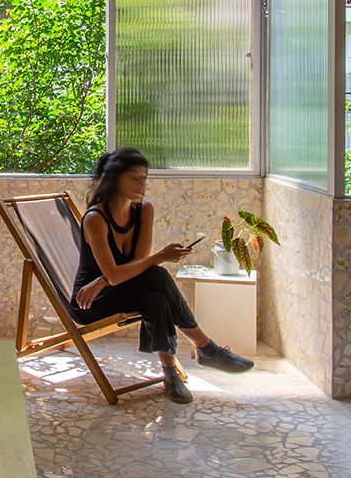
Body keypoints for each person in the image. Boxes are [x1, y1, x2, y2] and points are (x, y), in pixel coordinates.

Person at [70, 147, 255, 403]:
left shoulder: (144, 210)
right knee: (156, 276)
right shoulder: (95, 219)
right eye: (134, 177)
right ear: (114, 178)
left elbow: (138, 264)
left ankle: (171, 375)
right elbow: (116, 274)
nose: (141, 184)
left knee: (156, 295)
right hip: (90, 302)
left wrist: (105, 279)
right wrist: (157, 258)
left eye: (144, 177)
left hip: (118, 288)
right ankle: (205, 347)